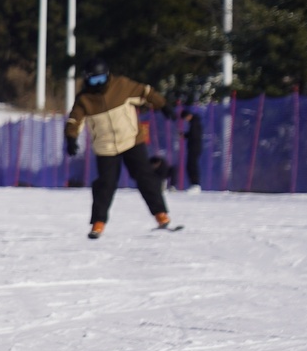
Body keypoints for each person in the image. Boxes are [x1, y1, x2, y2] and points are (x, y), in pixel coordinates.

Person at [65, 59, 174, 239]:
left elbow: (146, 92)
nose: (98, 85)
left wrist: (163, 105)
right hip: (105, 147)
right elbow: (74, 120)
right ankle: (98, 223)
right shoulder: (84, 99)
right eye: (93, 81)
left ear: (108, 76)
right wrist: (71, 138)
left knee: (145, 177)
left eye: (101, 80)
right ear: (86, 80)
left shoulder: (122, 85)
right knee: (105, 185)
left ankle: (160, 215)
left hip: (131, 140)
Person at [182, 108, 204, 192]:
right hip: (194, 146)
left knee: (192, 165)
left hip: (194, 147)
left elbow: (194, 135)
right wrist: (185, 135)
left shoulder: (194, 123)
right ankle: (194, 184)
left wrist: (186, 135)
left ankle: (195, 184)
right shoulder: (194, 122)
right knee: (190, 165)